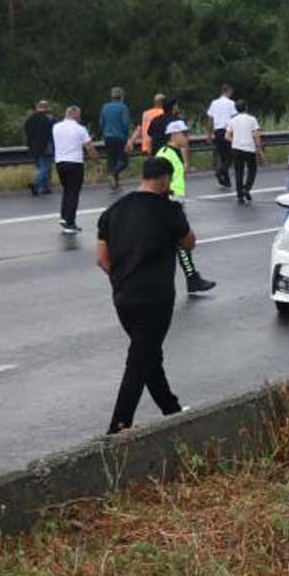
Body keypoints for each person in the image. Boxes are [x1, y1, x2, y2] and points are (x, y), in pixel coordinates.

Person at [96, 156, 194, 434]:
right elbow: (189, 243)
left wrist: (121, 280)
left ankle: (171, 410)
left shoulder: (113, 211)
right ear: (164, 179)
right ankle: (119, 425)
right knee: (140, 359)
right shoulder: (169, 209)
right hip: (155, 298)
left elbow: (101, 259)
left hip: (123, 297)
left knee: (148, 354)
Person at [155, 120, 216, 295]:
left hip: (175, 203)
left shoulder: (175, 152)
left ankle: (191, 278)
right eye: (184, 133)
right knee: (179, 243)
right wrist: (169, 199)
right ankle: (191, 278)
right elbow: (158, 180)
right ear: (174, 135)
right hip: (169, 204)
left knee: (178, 244)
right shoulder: (165, 154)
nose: (187, 137)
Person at [52, 105, 97, 232]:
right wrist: (97, 161)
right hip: (75, 162)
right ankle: (70, 222)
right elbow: (89, 147)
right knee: (73, 192)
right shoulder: (80, 129)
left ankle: (63, 216)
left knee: (67, 190)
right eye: (79, 115)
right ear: (76, 115)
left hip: (59, 162)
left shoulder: (56, 127)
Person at [227, 99, 263, 204]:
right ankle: (246, 188)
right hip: (249, 148)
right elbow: (256, 135)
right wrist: (259, 149)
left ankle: (239, 196)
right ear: (246, 107)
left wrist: (235, 140)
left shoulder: (233, 120)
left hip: (236, 149)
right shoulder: (252, 119)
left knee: (239, 172)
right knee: (252, 169)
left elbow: (227, 135)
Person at [99, 86, 131, 191]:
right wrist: (127, 136)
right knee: (124, 161)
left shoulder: (105, 107)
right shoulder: (123, 107)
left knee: (111, 160)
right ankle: (112, 175)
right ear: (121, 96)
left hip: (108, 137)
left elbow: (101, 123)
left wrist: (105, 132)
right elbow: (125, 124)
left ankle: (115, 184)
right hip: (120, 137)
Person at [206, 84, 237, 189]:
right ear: (228, 91)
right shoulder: (231, 103)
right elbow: (234, 118)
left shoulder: (214, 103)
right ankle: (220, 171)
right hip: (228, 131)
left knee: (223, 156)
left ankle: (226, 181)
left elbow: (210, 119)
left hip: (218, 132)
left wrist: (209, 134)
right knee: (230, 156)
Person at [23, 99, 55, 196]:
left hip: (33, 146)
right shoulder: (49, 119)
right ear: (46, 108)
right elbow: (54, 132)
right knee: (45, 167)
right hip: (46, 146)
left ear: (37, 107)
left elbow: (26, 132)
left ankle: (44, 188)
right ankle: (35, 182)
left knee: (39, 166)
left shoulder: (30, 119)